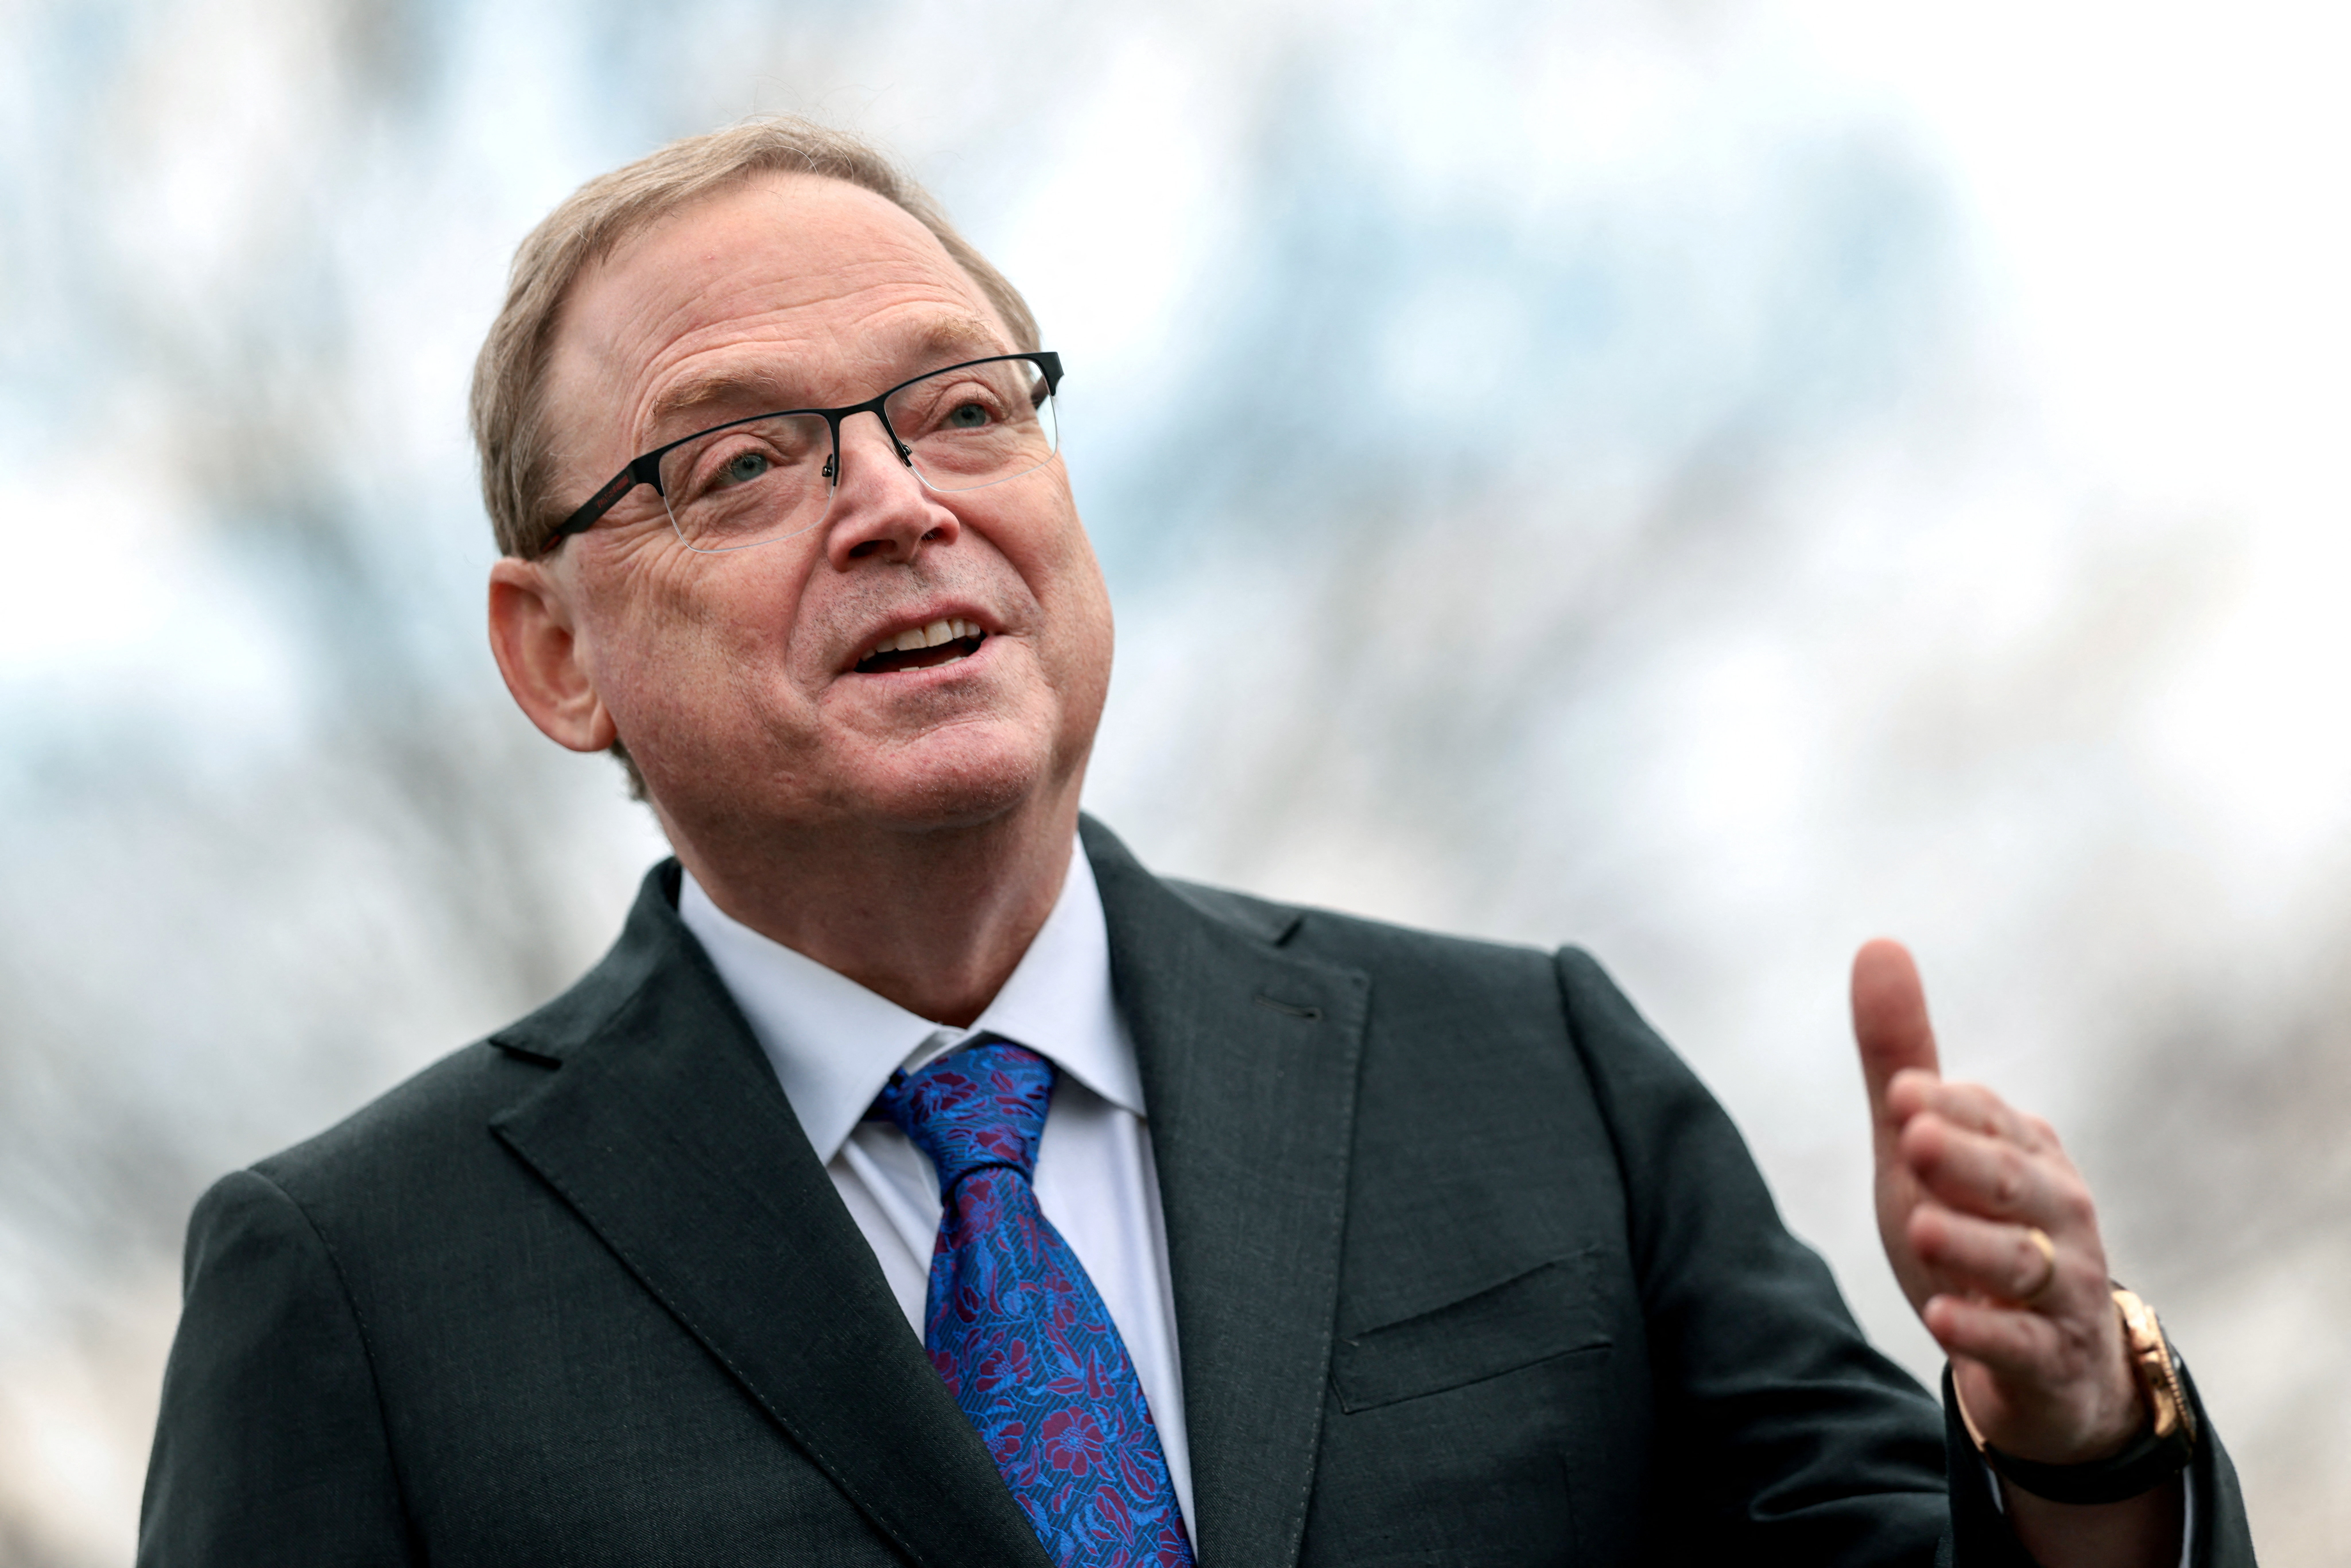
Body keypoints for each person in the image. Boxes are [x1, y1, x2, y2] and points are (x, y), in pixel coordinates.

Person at [138, 117, 2254, 1567]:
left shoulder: (1537, 1082)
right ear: (556, 652)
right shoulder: (356, 1288)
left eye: (966, 406)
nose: (899, 500)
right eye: (747, 457)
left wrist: (2080, 1433)